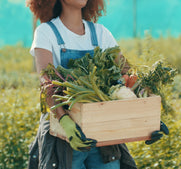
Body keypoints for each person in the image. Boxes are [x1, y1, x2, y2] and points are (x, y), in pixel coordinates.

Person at [26, 0, 169, 168]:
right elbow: (46, 82)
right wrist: (65, 121)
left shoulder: (100, 33)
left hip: (102, 129)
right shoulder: (46, 32)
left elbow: (128, 76)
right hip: (65, 132)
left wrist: (147, 116)